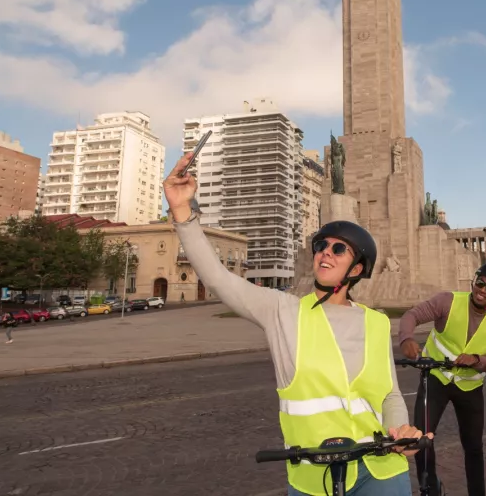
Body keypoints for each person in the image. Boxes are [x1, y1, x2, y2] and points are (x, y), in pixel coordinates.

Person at [164, 153, 428, 496]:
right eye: (320, 246)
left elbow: (389, 393)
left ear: (358, 268)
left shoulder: (376, 323)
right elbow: (218, 279)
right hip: (312, 475)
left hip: (381, 470)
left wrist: (400, 432)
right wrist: (183, 213)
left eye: (338, 249)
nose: (325, 253)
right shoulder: (281, 310)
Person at [398, 262, 486, 496]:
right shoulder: (447, 301)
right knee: (422, 439)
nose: (483, 290)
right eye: (480, 283)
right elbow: (412, 315)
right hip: (436, 380)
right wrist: (407, 338)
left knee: (474, 447)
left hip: (470, 388)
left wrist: (477, 359)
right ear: (474, 280)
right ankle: (430, 489)